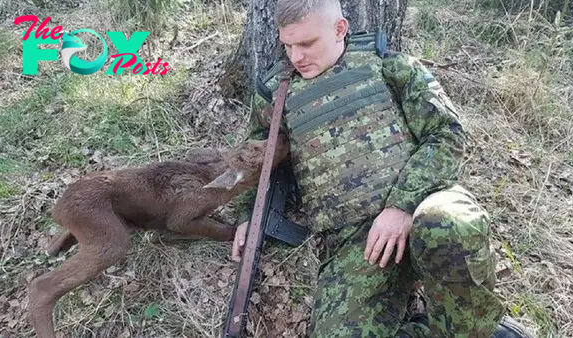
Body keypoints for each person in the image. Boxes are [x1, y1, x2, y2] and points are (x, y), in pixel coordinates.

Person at [229, 0, 535, 337]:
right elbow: (256, 156)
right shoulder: (277, 92)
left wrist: (400, 205)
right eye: (287, 45)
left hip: (423, 207)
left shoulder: (387, 65)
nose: (295, 57)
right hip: (353, 243)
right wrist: (247, 214)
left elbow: (447, 134)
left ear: (340, 29)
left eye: (306, 44)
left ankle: (476, 328)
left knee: (448, 224)